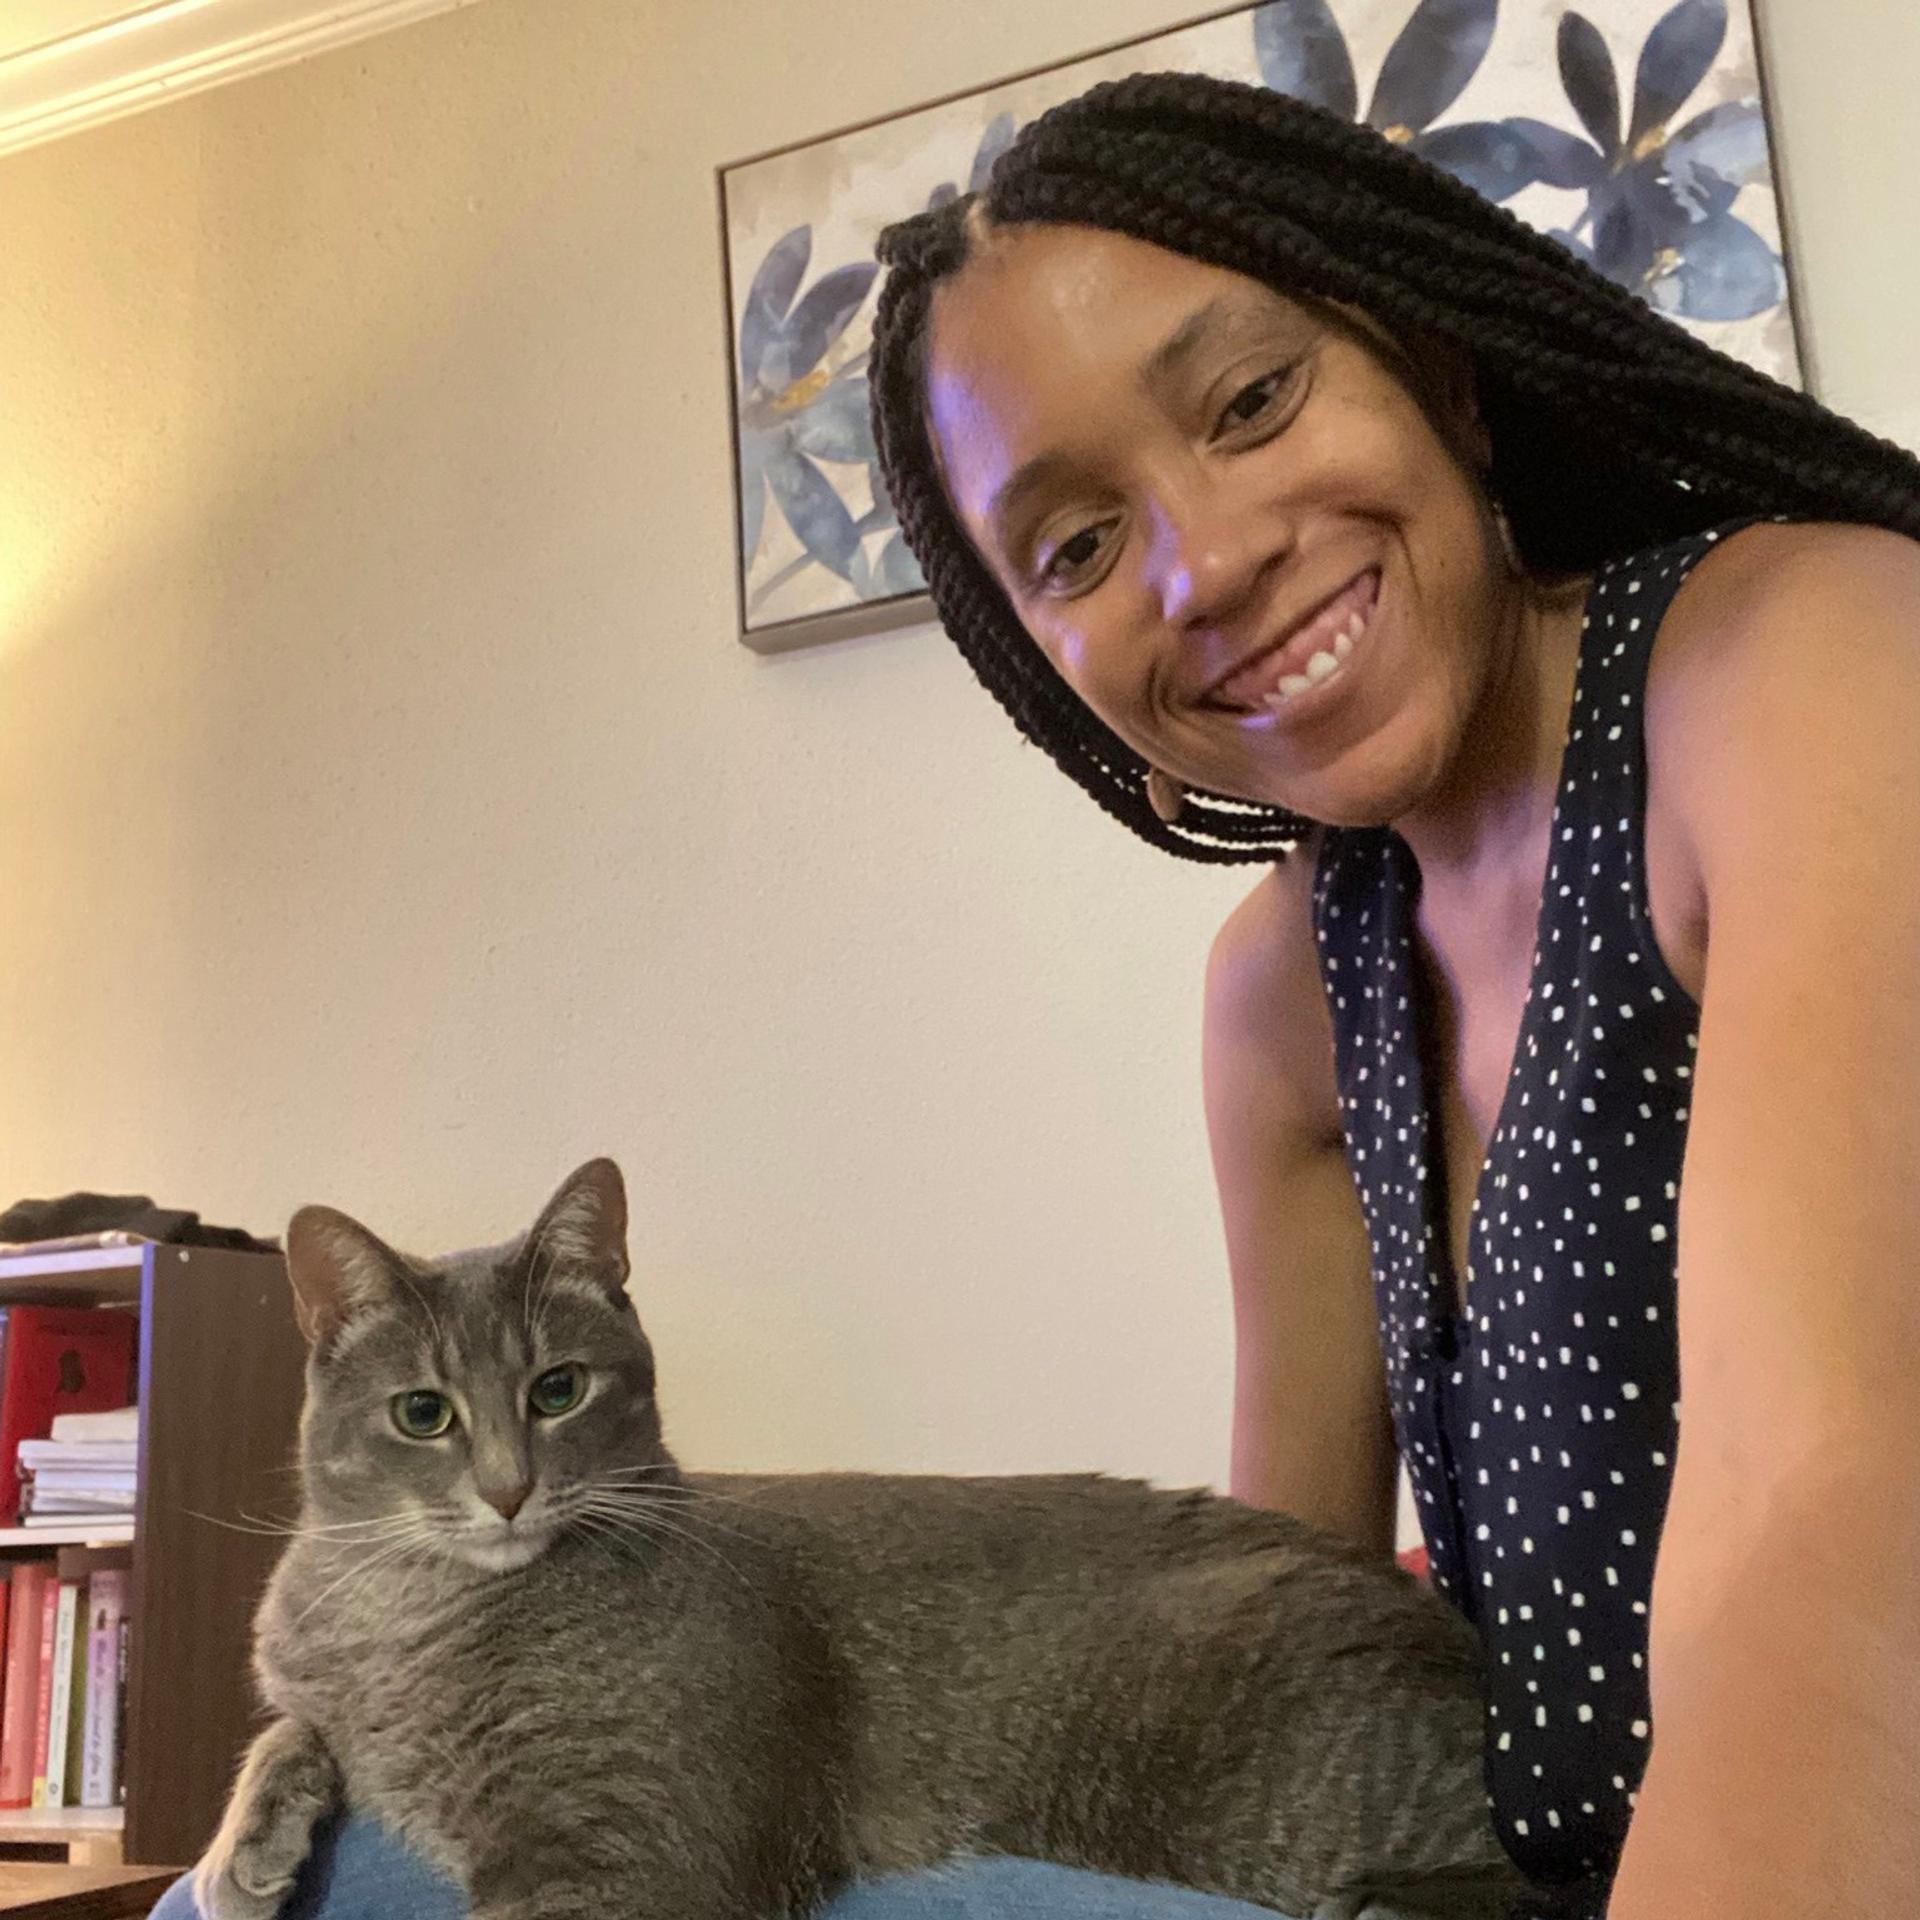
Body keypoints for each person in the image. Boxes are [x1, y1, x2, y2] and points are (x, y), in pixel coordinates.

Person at [159, 69, 1920, 1920]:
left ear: (1439, 364)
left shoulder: (1804, 668)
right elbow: (1267, 1605)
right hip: (1492, 1867)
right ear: (1034, 657)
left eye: (1252, 401)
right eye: (1079, 548)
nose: (1209, 559)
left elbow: (1838, 1519)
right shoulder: (1289, 989)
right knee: (315, 1876)